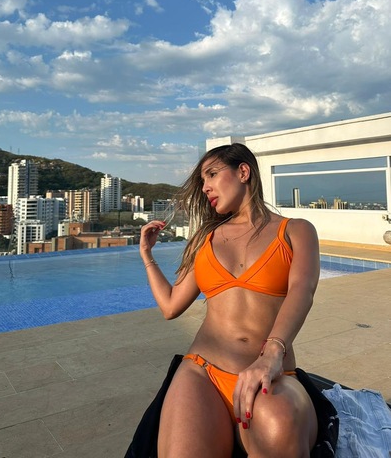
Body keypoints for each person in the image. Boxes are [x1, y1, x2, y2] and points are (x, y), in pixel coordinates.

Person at [137, 143, 337, 458]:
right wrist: (147, 256)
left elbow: (303, 290)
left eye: (212, 174)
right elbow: (171, 306)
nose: (205, 187)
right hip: (202, 371)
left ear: (243, 172)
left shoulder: (295, 231)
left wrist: (272, 354)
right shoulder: (205, 239)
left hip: (271, 373)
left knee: (279, 425)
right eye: (202, 181)